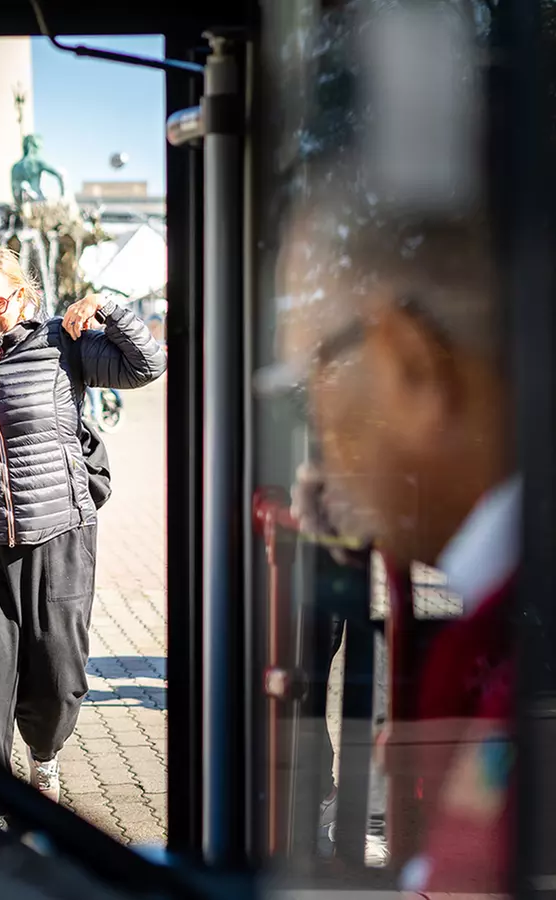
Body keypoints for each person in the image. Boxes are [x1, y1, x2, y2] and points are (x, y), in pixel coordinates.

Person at [272, 175, 511, 894]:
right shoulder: (495, 622)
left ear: (410, 365)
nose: (319, 454)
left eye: (313, 373)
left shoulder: (505, 647)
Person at [0, 247, 165, 800]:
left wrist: (107, 308)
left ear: (23, 297)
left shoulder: (61, 346)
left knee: (58, 679)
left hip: (57, 532)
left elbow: (148, 365)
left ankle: (44, 752)